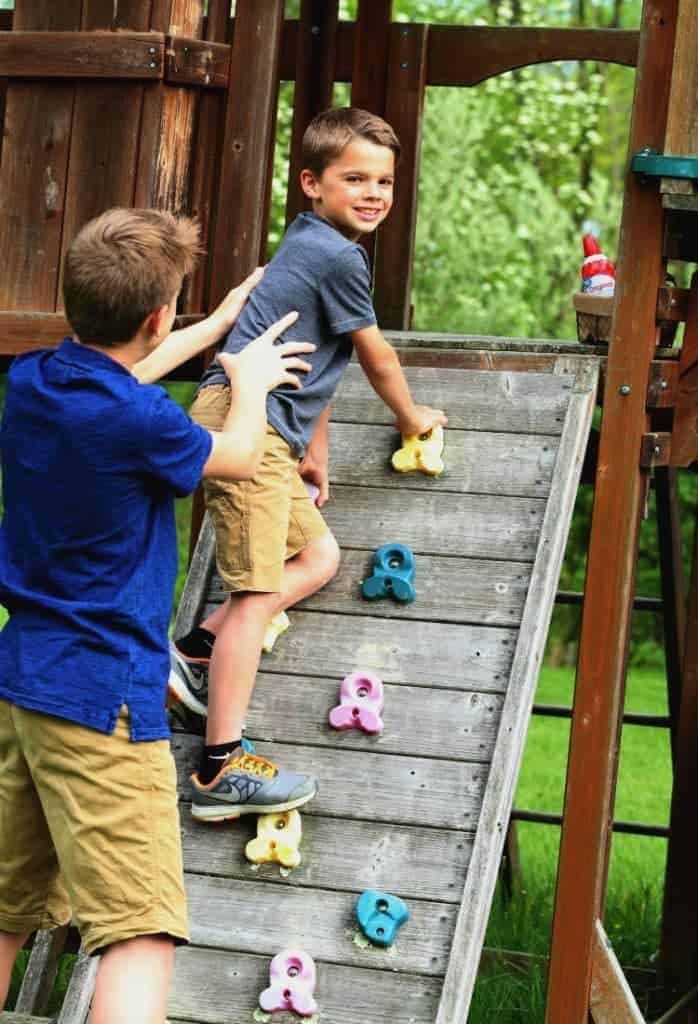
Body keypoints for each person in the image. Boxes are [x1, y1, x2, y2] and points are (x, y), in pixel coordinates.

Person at [0, 207, 314, 1024]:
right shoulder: (143, 424)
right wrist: (246, 383)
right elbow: (240, 458)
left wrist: (212, 325)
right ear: (155, 314)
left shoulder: (34, 382)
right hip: (104, 699)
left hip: (24, 682)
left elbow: (124, 375)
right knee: (139, 935)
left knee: (4, 912)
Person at [169, 107, 447, 820]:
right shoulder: (339, 257)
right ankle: (220, 765)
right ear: (310, 184)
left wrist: (312, 451)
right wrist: (414, 418)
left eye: (384, 180)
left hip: (265, 430)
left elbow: (314, 356)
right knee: (258, 594)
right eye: (354, 177)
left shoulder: (309, 242)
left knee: (318, 556)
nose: (373, 192)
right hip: (245, 426)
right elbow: (374, 354)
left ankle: (201, 649)